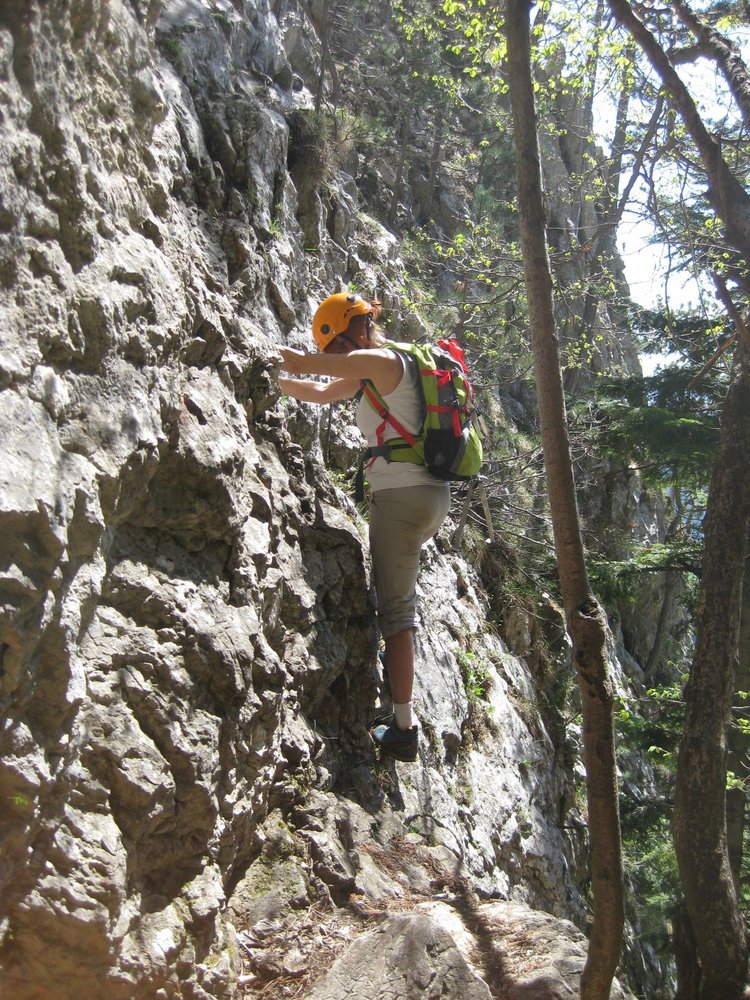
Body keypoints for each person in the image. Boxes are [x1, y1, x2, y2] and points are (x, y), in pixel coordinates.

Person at [278, 292, 451, 762]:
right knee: (398, 599)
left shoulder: (380, 361)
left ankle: (404, 730)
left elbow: (311, 367)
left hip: (401, 499)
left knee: (397, 615)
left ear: (351, 332)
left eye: (335, 345)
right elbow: (319, 392)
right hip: (430, 497)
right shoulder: (390, 368)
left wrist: (285, 360)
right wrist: (279, 381)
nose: (336, 355)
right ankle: (397, 689)